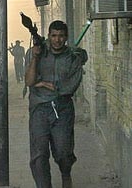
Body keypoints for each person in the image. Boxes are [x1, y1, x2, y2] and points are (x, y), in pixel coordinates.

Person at [25, 20, 87, 188]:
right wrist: (36, 58)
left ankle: (66, 173)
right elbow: (29, 80)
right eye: (54, 36)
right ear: (49, 36)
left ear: (66, 37)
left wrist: (46, 85)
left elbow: (71, 85)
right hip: (39, 109)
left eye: (61, 36)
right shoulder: (35, 52)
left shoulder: (73, 57)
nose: (57, 40)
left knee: (63, 152)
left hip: (62, 108)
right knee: (39, 154)